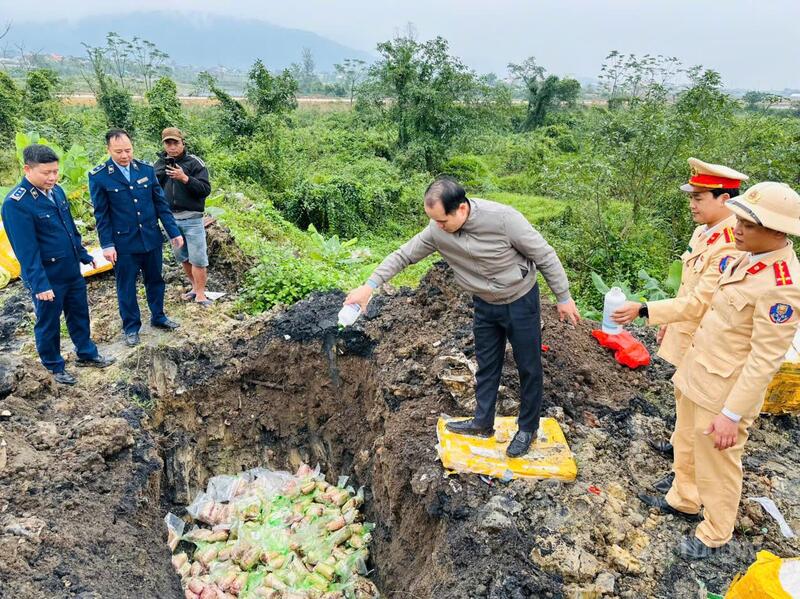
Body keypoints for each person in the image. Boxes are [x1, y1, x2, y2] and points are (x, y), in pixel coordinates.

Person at [613, 181, 800, 560]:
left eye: (748, 224)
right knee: (685, 440)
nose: (737, 229)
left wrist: (732, 415)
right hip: (698, 370)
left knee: (718, 465)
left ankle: (715, 533)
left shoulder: (782, 286)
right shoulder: (745, 257)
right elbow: (700, 303)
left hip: (725, 394)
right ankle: (684, 498)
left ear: (776, 230)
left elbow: (764, 360)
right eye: (740, 220)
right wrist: (647, 310)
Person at [345, 177, 580, 457]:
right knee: (486, 363)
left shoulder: (504, 219)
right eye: (433, 221)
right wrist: (369, 286)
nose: (437, 227)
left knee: (528, 366)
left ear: (461, 209)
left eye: (442, 221)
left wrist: (563, 297)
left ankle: (527, 428)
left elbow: (545, 255)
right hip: (484, 303)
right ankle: (482, 422)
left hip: (520, 301)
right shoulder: (437, 230)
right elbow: (403, 256)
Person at [649, 158, 748, 494]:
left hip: (705, 341)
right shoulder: (703, 231)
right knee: (682, 405)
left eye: (699, 198)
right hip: (684, 329)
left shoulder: (733, 242)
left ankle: (687, 486)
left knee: (699, 418)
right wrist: (667, 322)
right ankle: (681, 455)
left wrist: (648, 311)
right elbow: (686, 284)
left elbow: (702, 300)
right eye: (691, 197)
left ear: (726, 199)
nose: (692, 204)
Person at [2, 144, 115, 384]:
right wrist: (39, 284)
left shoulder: (57, 191)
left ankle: (86, 352)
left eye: (55, 171)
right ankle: (53, 366)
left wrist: (84, 255)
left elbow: (69, 229)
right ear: (27, 170)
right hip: (48, 275)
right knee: (49, 323)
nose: (52, 177)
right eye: (46, 173)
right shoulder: (16, 204)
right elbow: (26, 251)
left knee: (79, 313)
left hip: (71, 269)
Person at [89, 129, 184, 347]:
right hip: (124, 243)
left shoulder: (146, 170)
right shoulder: (99, 176)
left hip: (150, 238)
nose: (124, 155)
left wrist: (173, 231)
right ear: (109, 150)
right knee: (127, 286)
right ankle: (131, 327)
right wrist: (107, 244)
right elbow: (101, 214)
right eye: (119, 151)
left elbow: (160, 204)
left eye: (128, 150)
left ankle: (158, 316)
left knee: (155, 279)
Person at [154, 127, 212, 307]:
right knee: (183, 256)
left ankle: (201, 294)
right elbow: (153, 190)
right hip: (170, 220)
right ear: (164, 145)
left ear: (182, 143)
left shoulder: (195, 163)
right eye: (168, 143)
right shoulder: (159, 164)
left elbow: (205, 189)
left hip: (193, 218)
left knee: (198, 258)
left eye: (175, 143)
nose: (172, 147)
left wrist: (184, 178)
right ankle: (194, 288)